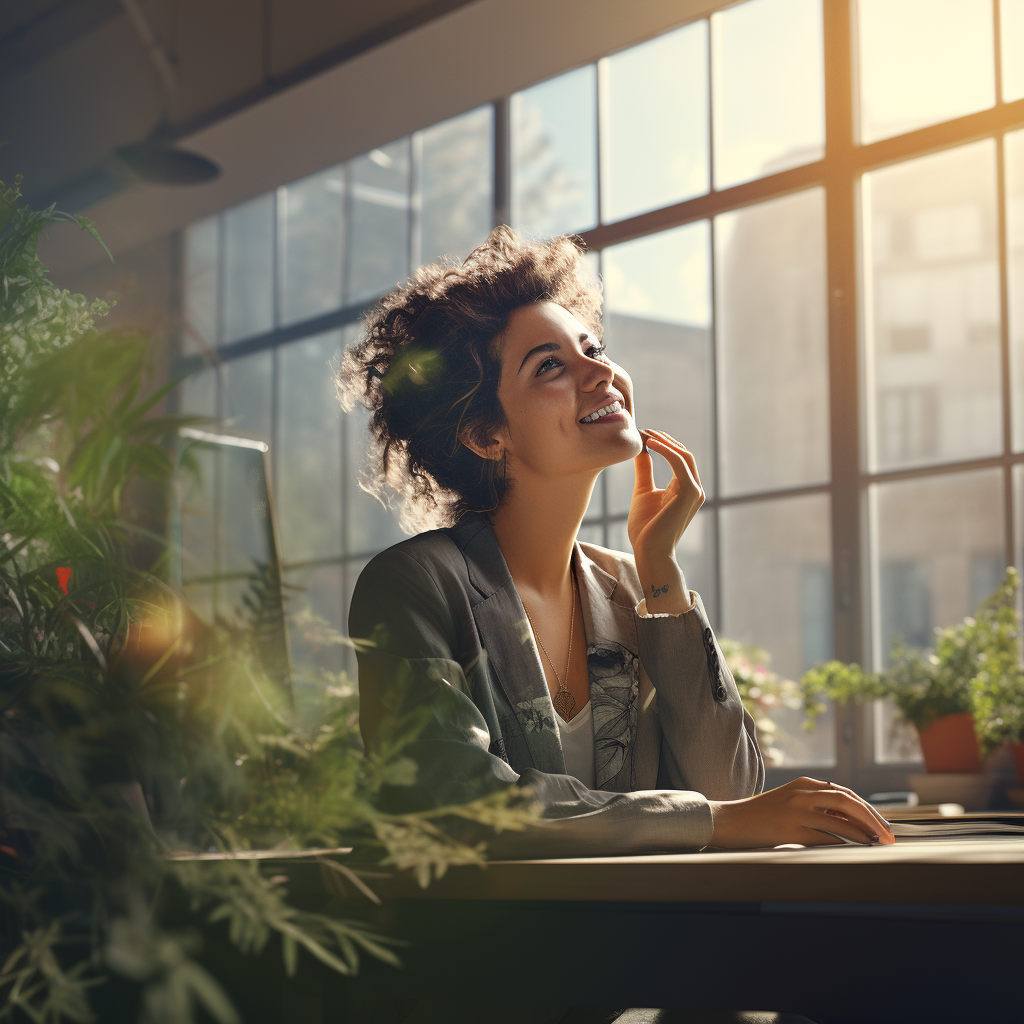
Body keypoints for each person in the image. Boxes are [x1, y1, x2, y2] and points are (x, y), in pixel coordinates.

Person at [339, 225, 894, 857]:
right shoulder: (415, 585)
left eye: (594, 348)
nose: (599, 372)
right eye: (551, 365)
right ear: (485, 435)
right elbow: (457, 803)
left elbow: (727, 785)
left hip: (647, 932)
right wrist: (714, 822)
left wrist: (661, 574)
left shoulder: (637, 588)